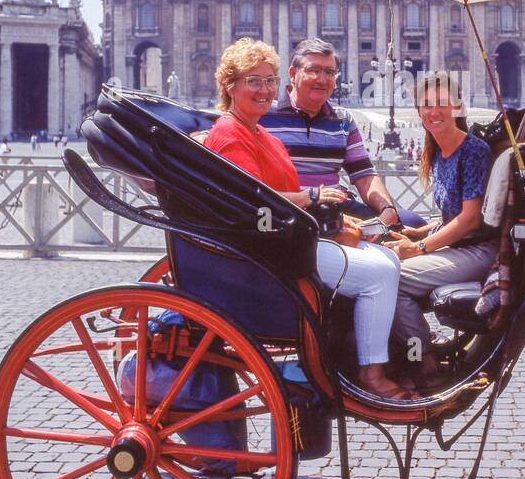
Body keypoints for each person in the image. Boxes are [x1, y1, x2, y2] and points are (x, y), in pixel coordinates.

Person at [203, 39, 410, 402]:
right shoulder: (234, 132)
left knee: (389, 253)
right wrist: (314, 199)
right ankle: (371, 373)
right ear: (230, 85)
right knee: (379, 273)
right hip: (271, 247)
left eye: (269, 81)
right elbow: (252, 198)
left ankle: (397, 346)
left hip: (294, 231)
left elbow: (356, 175)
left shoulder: (258, 131)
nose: (265, 90)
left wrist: (343, 217)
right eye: (254, 81)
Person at [385, 71, 499, 391]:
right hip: (462, 245)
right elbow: (451, 215)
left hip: (480, 250)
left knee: (394, 278)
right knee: (387, 260)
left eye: (441, 103)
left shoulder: (473, 150)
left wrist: (420, 249)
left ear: (458, 107)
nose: (434, 111)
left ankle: (425, 363)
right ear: (418, 111)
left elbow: (471, 220)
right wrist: (419, 234)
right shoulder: (435, 151)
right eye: (426, 104)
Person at [260, 38, 420, 227]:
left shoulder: (343, 119)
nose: (322, 79)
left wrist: (387, 210)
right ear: (293, 74)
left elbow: (364, 175)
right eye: (313, 70)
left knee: (412, 222)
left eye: (329, 72)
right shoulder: (263, 115)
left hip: (335, 208)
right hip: (285, 211)